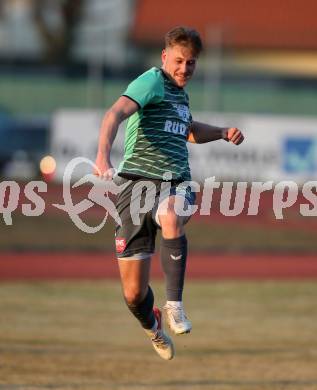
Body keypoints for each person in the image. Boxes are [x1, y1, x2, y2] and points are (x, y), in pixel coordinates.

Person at [94, 26, 244, 360]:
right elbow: (114, 113)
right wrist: (103, 155)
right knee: (133, 294)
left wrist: (220, 132)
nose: (184, 69)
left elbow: (188, 131)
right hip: (134, 186)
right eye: (179, 61)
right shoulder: (151, 82)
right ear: (164, 57)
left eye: (191, 63)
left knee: (171, 215)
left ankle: (174, 305)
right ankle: (154, 327)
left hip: (176, 182)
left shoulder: (180, 95)